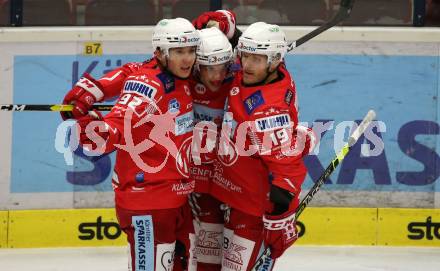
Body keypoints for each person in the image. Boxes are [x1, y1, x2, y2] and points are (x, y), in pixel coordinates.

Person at [66, 17, 200, 271]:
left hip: (173, 197)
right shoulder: (147, 85)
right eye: (179, 52)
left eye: (191, 51)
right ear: (160, 53)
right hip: (148, 200)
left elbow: (127, 71)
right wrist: (95, 127)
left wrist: (92, 90)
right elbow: (118, 125)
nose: (188, 59)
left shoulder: (166, 72)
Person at [194, 17, 316, 271]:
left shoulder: (268, 113)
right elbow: (238, 40)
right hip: (233, 199)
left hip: (252, 210)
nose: (246, 65)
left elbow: (287, 174)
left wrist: (279, 220)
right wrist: (221, 25)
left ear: (274, 62)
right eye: (244, 56)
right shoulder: (262, 72)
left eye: (256, 59)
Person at [188, 27, 234, 271]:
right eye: (209, 68)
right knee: (200, 247)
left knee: (221, 251)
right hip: (195, 180)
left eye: (221, 68)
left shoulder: (238, 82)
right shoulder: (182, 80)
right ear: (197, 67)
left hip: (226, 179)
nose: (217, 76)